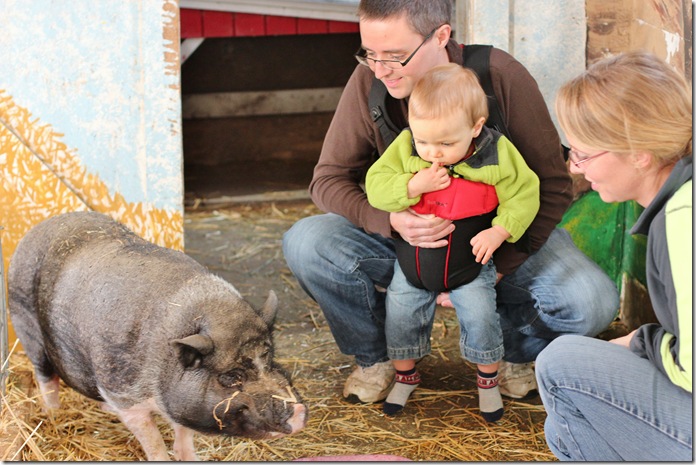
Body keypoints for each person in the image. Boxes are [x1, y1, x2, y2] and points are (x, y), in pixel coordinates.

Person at [282, 0, 619, 405]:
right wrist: (389, 220)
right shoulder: (370, 81)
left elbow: (552, 185)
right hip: (408, 243)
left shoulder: (499, 76)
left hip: (497, 238)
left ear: (441, 36)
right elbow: (327, 180)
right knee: (306, 241)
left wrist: (498, 263)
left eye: (394, 55)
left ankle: (512, 351)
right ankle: (379, 356)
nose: (380, 69)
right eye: (369, 53)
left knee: (591, 302)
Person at [535, 51, 692, 461]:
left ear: (639, 153)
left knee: (560, 363)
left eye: (583, 154)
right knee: (566, 423)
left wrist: (645, 341)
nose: (575, 168)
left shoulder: (682, 218)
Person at [365, 63, 540, 421]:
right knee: (400, 316)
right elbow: (376, 185)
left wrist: (500, 230)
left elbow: (525, 192)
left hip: (470, 263)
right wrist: (411, 186)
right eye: (424, 141)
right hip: (413, 262)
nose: (433, 153)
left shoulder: (496, 152)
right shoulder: (405, 147)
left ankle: (488, 381)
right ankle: (405, 376)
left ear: (475, 127)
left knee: (481, 317)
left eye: (446, 143)